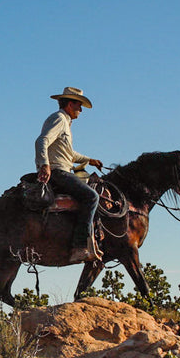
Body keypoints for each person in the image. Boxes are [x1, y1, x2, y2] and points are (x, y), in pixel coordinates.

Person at [35, 86, 104, 264]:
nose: (81, 110)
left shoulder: (64, 122)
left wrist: (90, 160)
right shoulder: (58, 119)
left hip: (61, 167)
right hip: (58, 171)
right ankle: (79, 247)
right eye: (79, 105)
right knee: (92, 197)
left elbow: (69, 154)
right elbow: (42, 140)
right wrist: (44, 164)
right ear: (70, 104)